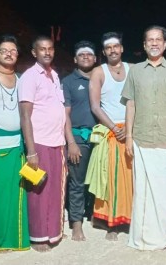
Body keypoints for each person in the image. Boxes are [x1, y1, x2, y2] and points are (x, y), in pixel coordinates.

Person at [122, 25, 166, 250]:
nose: (154, 43)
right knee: (143, 192)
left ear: (165, 44)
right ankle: (141, 238)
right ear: (143, 44)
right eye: (149, 40)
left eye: (158, 39)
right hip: (141, 139)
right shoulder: (135, 71)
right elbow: (130, 104)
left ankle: (163, 236)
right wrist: (129, 137)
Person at [0, 35, 30, 252]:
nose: (9, 54)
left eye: (13, 50)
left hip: (18, 145)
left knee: (18, 192)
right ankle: (0, 241)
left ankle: (18, 239)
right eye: (4, 50)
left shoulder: (22, 79)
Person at [18, 35, 66, 252]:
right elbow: (25, 115)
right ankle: (38, 237)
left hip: (57, 142)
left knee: (55, 190)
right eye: (42, 49)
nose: (47, 52)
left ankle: (53, 232)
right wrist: (31, 151)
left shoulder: (54, 75)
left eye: (50, 49)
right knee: (38, 191)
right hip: (40, 142)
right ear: (34, 52)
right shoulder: (29, 77)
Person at [87, 32, 133, 241]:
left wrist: (130, 128)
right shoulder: (99, 72)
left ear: (122, 48)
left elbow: (138, 100)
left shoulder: (133, 69)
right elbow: (95, 106)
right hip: (111, 131)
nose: (113, 50)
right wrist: (115, 128)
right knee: (111, 179)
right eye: (108, 48)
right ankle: (112, 224)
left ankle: (132, 220)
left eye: (116, 46)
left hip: (132, 130)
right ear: (104, 52)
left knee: (132, 179)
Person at [62, 40, 97, 241]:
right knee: (77, 181)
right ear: (75, 59)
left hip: (100, 136)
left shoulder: (101, 78)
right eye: (81, 54)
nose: (85, 56)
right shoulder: (68, 82)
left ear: (95, 58)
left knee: (98, 179)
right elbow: (64, 114)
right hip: (78, 137)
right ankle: (76, 223)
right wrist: (71, 143)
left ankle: (94, 214)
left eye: (89, 54)